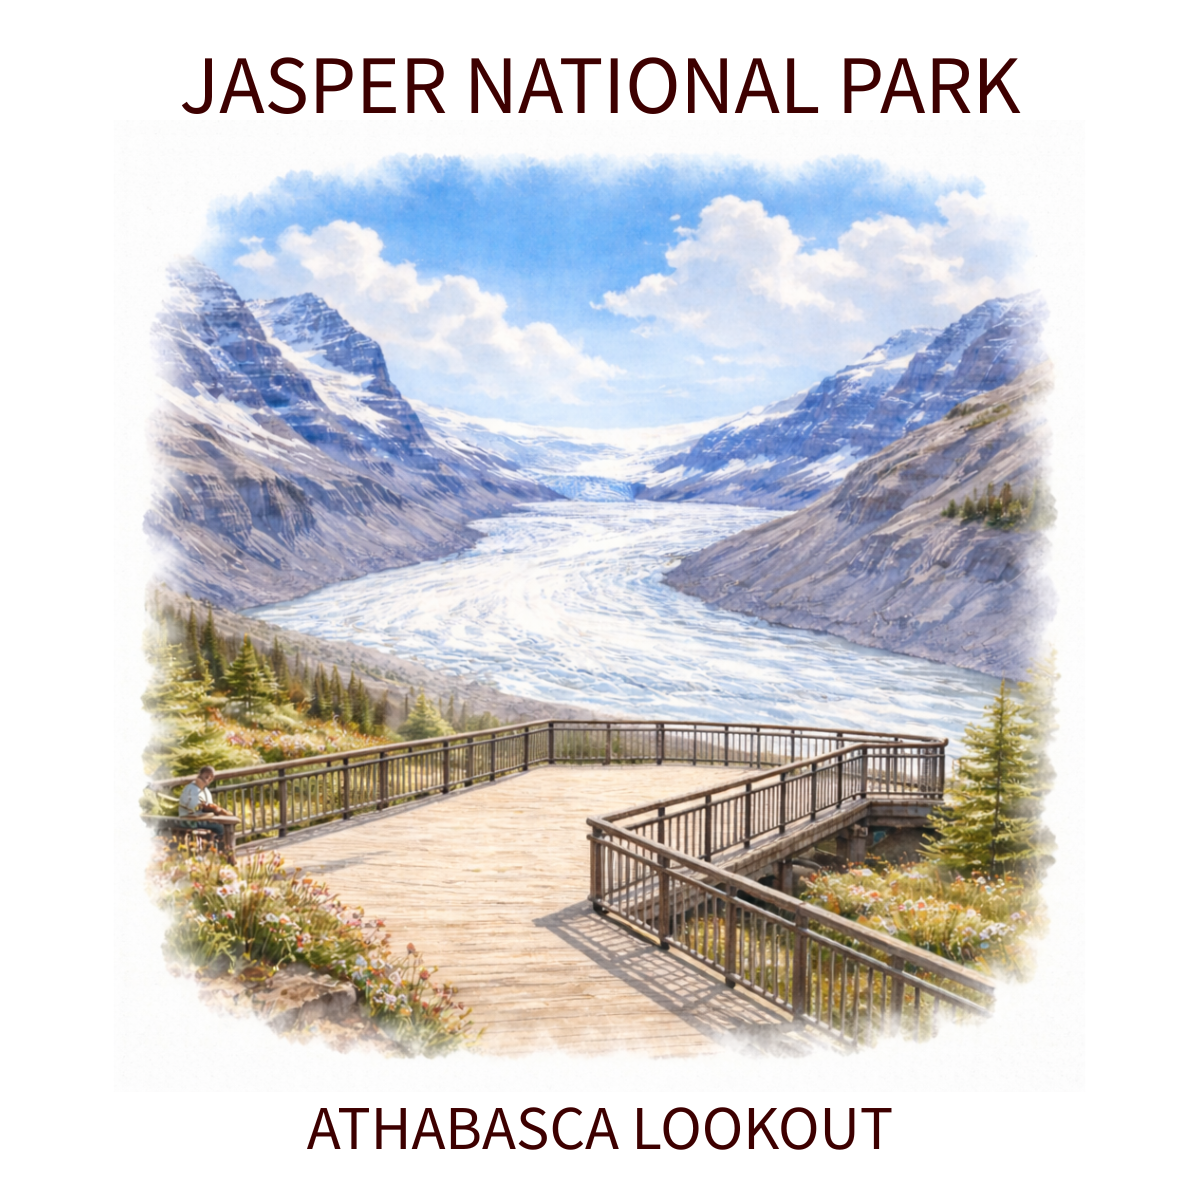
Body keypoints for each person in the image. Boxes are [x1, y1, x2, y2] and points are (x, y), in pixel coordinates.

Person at [178, 766, 233, 845]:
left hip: (199, 818)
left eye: (211, 777)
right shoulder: (192, 788)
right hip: (190, 820)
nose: (208, 779)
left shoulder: (204, 789)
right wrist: (217, 810)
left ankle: (214, 846)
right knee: (220, 827)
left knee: (221, 824)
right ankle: (219, 848)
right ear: (200, 775)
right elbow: (201, 806)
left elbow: (208, 806)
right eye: (206, 776)